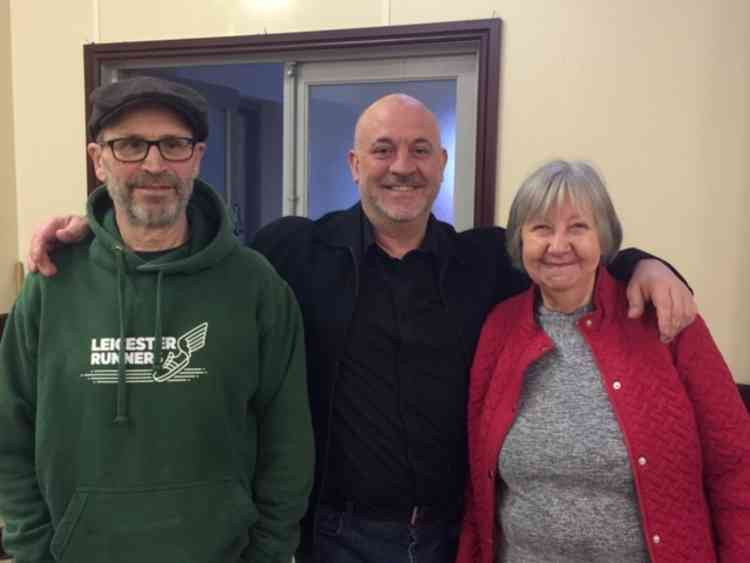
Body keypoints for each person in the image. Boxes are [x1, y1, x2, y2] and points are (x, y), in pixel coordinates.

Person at [26, 94, 696, 563]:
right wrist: (91, 232)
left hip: (453, 535)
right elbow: (182, 250)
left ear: (440, 165)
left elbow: (564, 252)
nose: (399, 165)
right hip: (335, 536)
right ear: (354, 164)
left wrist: (642, 262)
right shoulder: (289, 252)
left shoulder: (484, 261)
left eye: (418, 150)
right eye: (381, 149)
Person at [0, 76, 314, 562]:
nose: (154, 164)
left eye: (173, 144)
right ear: (98, 160)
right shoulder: (52, 281)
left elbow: (288, 443)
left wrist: (267, 554)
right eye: (129, 145)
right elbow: (10, 433)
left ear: (197, 157)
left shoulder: (256, 287)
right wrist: (32, 550)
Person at [457, 160, 750, 563]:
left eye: (578, 227)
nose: (558, 245)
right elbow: (479, 483)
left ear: (604, 238)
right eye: (541, 228)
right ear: (520, 242)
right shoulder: (499, 328)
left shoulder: (664, 321)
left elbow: (736, 467)